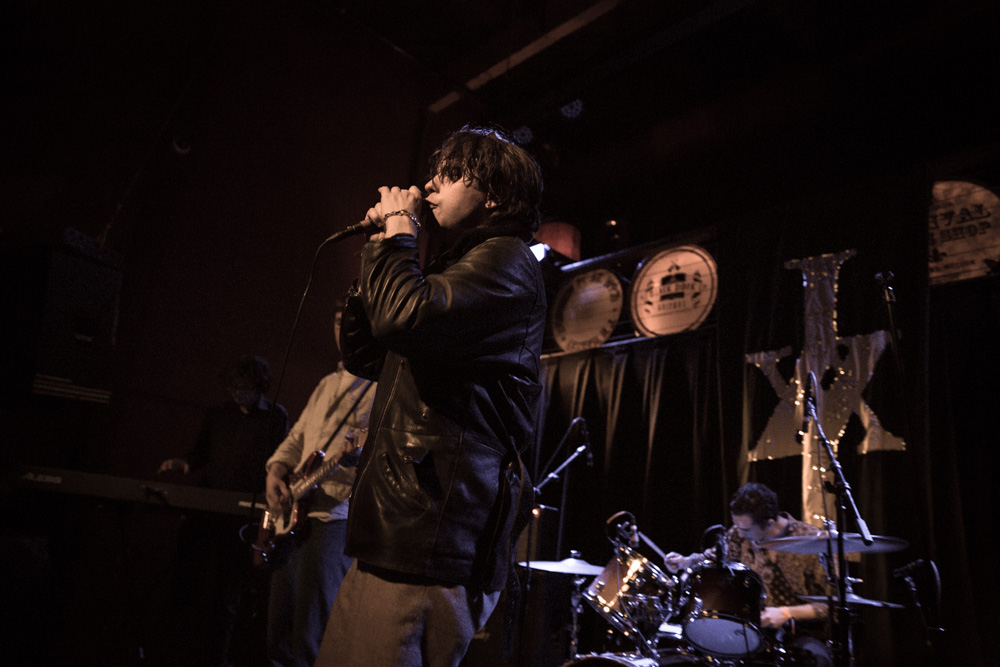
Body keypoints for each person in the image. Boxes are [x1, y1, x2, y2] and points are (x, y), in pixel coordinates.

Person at [314, 126, 546, 667]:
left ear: (495, 197)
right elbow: (366, 356)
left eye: (452, 174)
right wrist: (382, 245)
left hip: (427, 540)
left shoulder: (507, 261)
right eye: (435, 172)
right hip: (394, 530)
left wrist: (399, 235)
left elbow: (403, 317)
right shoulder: (459, 265)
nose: (431, 184)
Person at [262, 299, 376, 667]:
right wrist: (275, 471)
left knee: (310, 638)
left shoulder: (381, 387)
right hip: (293, 515)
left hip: (333, 519)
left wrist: (361, 455)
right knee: (277, 635)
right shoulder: (327, 383)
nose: (342, 330)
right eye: (338, 321)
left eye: (351, 322)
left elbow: (384, 453)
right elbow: (297, 438)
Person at [158, 354, 289, 667]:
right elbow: (200, 454)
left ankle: (218, 660)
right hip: (207, 514)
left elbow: (281, 461)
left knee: (227, 595)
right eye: (233, 387)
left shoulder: (275, 416)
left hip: (242, 520)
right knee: (187, 585)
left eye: (244, 387)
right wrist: (183, 464)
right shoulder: (218, 414)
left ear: (259, 387)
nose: (237, 393)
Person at [665, 482, 832, 666]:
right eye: (737, 526)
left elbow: (834, 605)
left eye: (745, 529)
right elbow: (713, 557)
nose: (739, 533)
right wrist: (685, 561)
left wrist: (786, 613)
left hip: (802, 633)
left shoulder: (814, 541)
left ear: (769, 523)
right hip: (752, 630)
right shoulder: (738, 534)